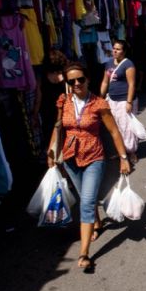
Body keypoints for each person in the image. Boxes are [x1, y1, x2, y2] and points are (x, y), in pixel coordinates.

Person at [47, 62, 131, 271]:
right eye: (72, 81)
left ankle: (84, 253)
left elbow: (113, 132)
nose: (77, 84)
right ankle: (97, 221)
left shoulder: (98, 104)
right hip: (69, 157)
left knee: (86, 201)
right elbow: (58, 127)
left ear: (88, 80)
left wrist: (123, 157)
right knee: (86, 196)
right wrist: (51, 151)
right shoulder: (63, 101)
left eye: (80, 79)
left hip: (94, 156)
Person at [100, 40, 138, 164]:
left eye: (118, 49)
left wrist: (129, 102)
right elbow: (105, 81)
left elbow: (132, 84)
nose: (115, 51)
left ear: (124, 51)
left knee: (127, 128)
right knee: (115, 127)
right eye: (114, 48)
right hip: (112, 99)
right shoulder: (109, 63)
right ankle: (121, 151)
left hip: (124, 100)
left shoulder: (128, 64)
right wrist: (100, 98)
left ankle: (132, 152)